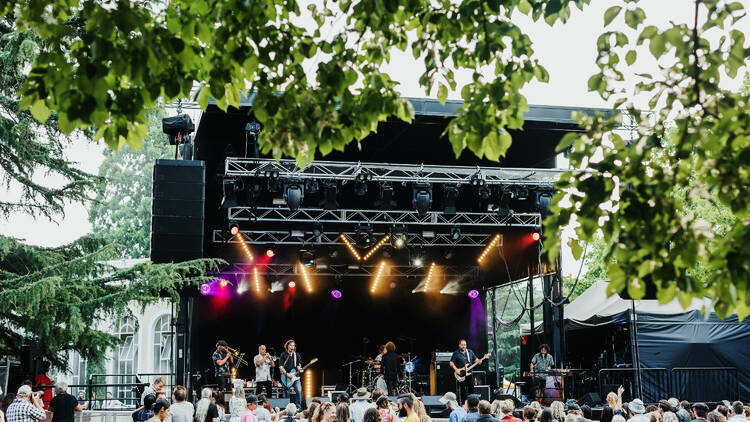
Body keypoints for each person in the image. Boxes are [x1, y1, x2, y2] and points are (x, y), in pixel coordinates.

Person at [449, 340, 479, 404]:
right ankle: (463, 404)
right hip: (461, 374)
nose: (464, 346)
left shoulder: (470, 352)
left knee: (472, 389)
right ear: (459, 345)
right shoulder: (456, 353)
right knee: (463, 390)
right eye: (462, 345)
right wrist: (456, 369)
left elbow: (476, 360)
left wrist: (479, 361)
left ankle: (472, 404)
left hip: (469, 374)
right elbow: (451, 362)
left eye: (465, 345)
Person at [279, 340, 303, 409]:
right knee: (287, 393)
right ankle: (287, 408)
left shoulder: (297, 355)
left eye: (293, 345)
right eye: (290, 345)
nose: (292, 347)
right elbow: (280, 366)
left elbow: (298, 365)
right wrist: (287, 374)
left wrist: (300, 369)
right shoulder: (283, 354)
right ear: (287, 346)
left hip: (295, 377)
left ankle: (298, 407)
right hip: (286, 377)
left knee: (298, 390)